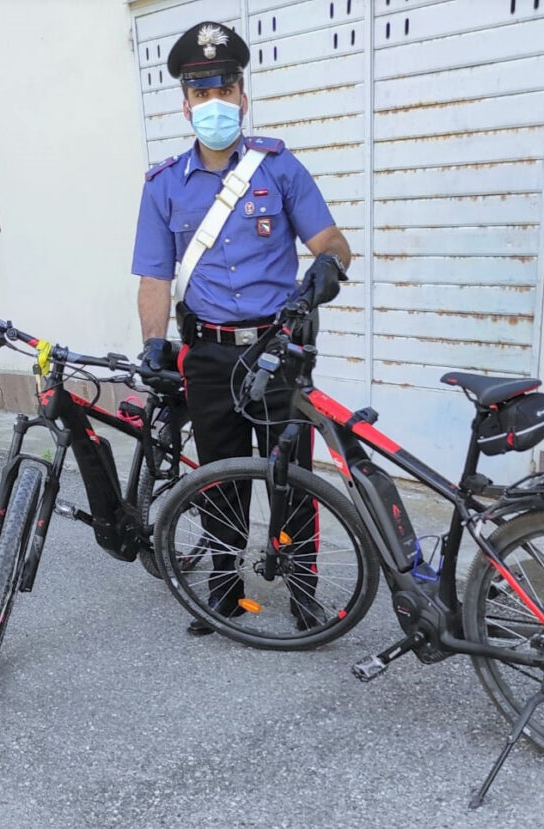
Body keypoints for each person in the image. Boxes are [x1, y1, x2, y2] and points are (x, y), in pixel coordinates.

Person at [131, 21, 351, 635]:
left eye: (223, 88)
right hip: (208, 355)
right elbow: (153, 276)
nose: (213, 103)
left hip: (280, 349)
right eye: (201, 93)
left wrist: (328, 269)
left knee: (292, 473)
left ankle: (304, 586)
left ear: (242, 94)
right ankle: (224, 591)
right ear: (186, 104)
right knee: (217, 473)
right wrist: (153, 343)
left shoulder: (278, 169)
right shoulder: (163, 186)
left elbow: (331, 239)